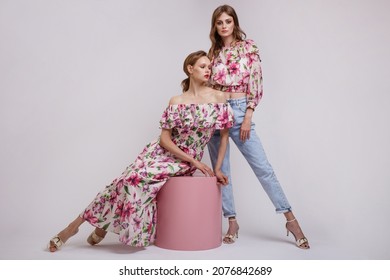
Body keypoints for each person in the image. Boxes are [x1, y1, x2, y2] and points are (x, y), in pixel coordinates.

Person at [48, 50, 234, 252]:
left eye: (209, 67)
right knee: (123, 179)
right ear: (190, 69)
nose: (208, 70)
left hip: (183, 161)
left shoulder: (218, 98)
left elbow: (224, 137)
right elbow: (164, 139)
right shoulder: (176, 101)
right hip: (161, 152)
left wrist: (214, 168)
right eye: (202, 66)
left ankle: (98, 225)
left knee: (135, 179)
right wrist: (194, 161)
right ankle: (75, 227)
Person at [206, 5, 310, 249]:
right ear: (215, 26)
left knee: (263, 168)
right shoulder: (213, 53)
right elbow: (208, 85)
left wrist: (249, 114)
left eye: (227, 21)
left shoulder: (248, 47)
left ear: (234, 23)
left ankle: (290, 220)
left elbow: (256, 80)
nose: (223, 26)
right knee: (222, 171)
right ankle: (232, 221)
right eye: (219, 22)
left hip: (242, 109)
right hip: (216, 112)